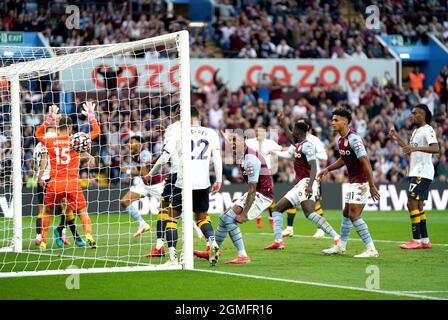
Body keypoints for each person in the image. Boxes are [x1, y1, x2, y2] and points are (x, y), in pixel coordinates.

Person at [148, 107, 222, 266]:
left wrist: (151, 173)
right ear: (198, 116)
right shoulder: (211, 133)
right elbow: (217, 158)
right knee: (202, 217)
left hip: (182, 181)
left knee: (172, 218)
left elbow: (164, 158)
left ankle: (172, 258)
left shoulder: (179, 132)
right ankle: (212, 241)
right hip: (203, 182)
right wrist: (219, 179)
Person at [265, 121, 340, 250]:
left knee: (310, 213)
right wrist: (283, 122)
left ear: (299, 132)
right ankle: (278, 241)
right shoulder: (298, 145)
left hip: (306, 183)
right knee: (277, 209)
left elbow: (314, 166)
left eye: (294, 130)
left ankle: (336, 237)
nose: (292, 132)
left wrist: (310, 185)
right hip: (299, 184)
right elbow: (289, 136)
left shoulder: (307, 146)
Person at [34, 102, 100, 250]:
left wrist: (49, 119)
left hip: (54, 183)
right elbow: (97, 130)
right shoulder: (76, 141)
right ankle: (89, 234)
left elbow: (37, 134)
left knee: (46, 211)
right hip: (72, 183)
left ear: (58, 127)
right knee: (82, 211)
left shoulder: (50, 141)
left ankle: (43, 241)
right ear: (70, 128)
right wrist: (90, 114)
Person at [319, 108, 380, 258]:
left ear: (345, 121)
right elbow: (343, 160)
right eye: (332, 120)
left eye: (336, 120)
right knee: (346, 213)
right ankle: (341, 246)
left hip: (361, 182)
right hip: (354, 182)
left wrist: (371, 185)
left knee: (353, 215)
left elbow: (365, 162)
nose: (332, 122)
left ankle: (371, 249)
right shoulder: (341, 139)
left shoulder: (354, 139)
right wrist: (328, 168)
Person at [214, 132, 274, 264]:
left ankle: (243, 255)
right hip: (256, 192)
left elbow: (253, 190)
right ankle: (213, 250)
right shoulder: (243, 157)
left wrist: (244, 214)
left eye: (236, 141)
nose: (233, 145)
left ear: (244, 140)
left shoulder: (251, 159)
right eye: (231, 142)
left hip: (262, 195)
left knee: (230, 219)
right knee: (224, 217)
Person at [389, 104, 439, 249]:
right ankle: (424, 240)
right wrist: (397, 138)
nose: (411, 115)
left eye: (414, 113)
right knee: (418, 205)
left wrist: (415, 148)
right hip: (416, 171)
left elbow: (436, 148)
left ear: (422, 115)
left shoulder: (427, 129)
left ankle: (415, 240)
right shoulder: (416, 131)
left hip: (422, 171)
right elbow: (409, 150)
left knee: (411, 203)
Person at [33, 125, 85, 248]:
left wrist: (37, 175)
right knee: (65, 208)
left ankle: (41, 237)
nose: (54, 133)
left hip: (46, 180)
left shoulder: (38, 146)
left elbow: (33, 163)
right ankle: (66, 234)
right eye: (52, 131)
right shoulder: (51, 143)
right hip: (52, 180)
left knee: (58, 208)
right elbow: (44, 161)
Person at [280, 117, 329, 238]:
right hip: (299, 177)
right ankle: (289, 228)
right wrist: (273, 151)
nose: (296, 127)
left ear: (307, 127)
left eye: (300, 124)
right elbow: (289, 153)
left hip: (312, 176)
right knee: (292, 202)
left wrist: (310, 152)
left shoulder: (314, 141)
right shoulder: (297, 140)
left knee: (314, 204)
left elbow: (325, 156)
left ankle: (321, 229)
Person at [120, 135, 164, 238]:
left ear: (139, 143)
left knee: (173, 208)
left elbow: (144, 174)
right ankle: (143, 224)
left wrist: (127, 171)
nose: (130, 144)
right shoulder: (135, 154)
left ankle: (195, 227)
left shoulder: (145, 153)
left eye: (132, 142)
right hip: (144, 185)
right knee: (124, 201)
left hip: (155, 185)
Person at [245, 127, 283, 229]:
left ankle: (271, 219)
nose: (258, 133)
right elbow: (239, 144)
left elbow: (282, 148)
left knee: (269, 195)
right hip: (254, 172)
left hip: (267, 173)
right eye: (257, 131)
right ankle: (258, 218)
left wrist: (295, 147)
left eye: (260, 131)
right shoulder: (250, 142)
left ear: (265, 133)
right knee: (254, 194)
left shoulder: (270, 143)